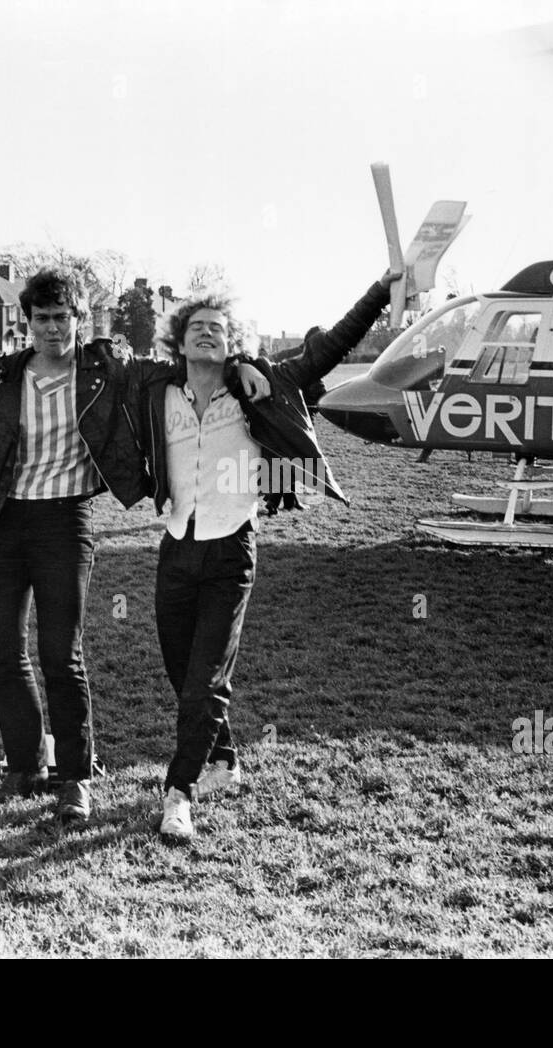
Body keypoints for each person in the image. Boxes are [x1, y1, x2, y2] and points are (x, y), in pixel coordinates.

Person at [0, 268, 269, 826]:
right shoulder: (1, 376)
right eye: (42, 318)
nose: (53, 328)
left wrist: (243, 362)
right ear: (27, 323)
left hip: (64, 523)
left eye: (62, 317)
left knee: (60, 654)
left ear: (79, 319)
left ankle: (75, 778)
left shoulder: (105, 368)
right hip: (4, 523)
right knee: (3, 652)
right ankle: (24, 767)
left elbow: (184, 366)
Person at [138, 269, 401, 841]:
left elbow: (333, 343)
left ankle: (178, 793)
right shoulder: (155, 390)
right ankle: (225, 759)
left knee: (207, 680)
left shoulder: (266, 385)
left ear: (234, 342)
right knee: (181, 673)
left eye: (218, 328)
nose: (207, 334)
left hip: (232, 548)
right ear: (178, 341)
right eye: (196, 328)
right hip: (176, 547)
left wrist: (383, 288)